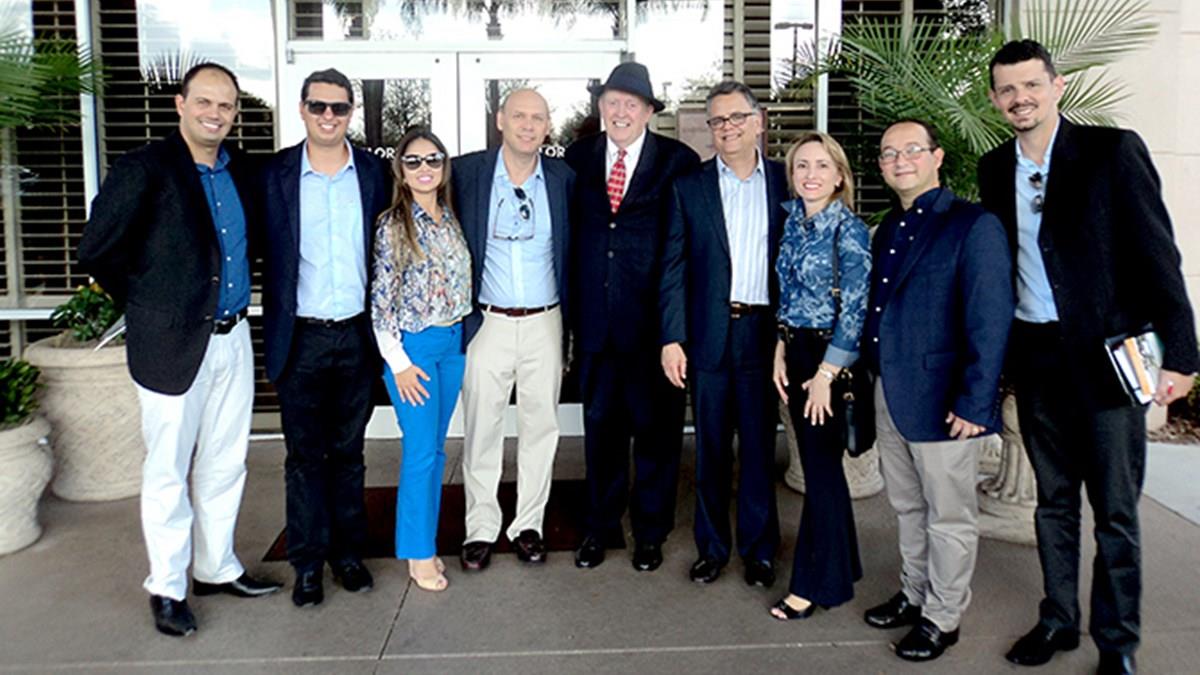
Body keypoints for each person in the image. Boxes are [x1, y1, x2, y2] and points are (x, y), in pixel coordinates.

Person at [979, 40, 1198, 675]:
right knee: (1052, 503)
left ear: (1058, 86)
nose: (1020, 98)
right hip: (1037, 358)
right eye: (1007, 89)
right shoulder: (994, 169)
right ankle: (1058, 619)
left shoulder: (1112, 152)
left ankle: (1117, 642)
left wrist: (1181, 357)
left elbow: (1159, 255)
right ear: (994, 100)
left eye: (1031, 85)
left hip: (1108, 361)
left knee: (1115, 512)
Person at [78, 62, 280, 637]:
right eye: (205, 102)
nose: (216, 114)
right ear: (181, 105)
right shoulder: (145, 168)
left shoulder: (239, 171)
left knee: (225, 459)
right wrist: (149, 303)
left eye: (226, 105)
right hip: (170, 343)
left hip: (232, 336)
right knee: (168, 468)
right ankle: (167, 586)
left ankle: (216, 567)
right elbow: (97, 250)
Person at [859, 119, 1013, 662]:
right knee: (907, 507)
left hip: (945, 401)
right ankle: (914, 593)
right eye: (889, 153)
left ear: (936, 156)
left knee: (949, 516)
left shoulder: (973, 225)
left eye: (911, 150)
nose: (900, 160)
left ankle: (942, 618)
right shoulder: (887, 227)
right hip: (890, 393)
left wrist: (975, 402)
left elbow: (990, 320)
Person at [261, 68, 392, 608]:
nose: (329, 116)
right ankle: (308, 563)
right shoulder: (274, 175)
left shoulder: (375, 174)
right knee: (303, 458)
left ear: (351, 113)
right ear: (302, 109)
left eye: (339, 107)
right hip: (302, 338)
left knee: (349, 454)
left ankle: (348, 554)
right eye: (319, 106)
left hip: (357, 335)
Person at [565, 62, 701, 572]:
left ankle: (650, 532)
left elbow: (686, 251)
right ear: (601, 107)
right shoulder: (578, 158)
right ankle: (600, 528)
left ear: (648, 111)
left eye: (631, 103)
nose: (620, 111)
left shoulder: (679, 162)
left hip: (655, 333)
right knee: (600, 434)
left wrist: (677, 331)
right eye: (612, 102)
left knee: (657, 437)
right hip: (596, 328)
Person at [660, 80, 788, 587]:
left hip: (764, 334)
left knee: (758, 448)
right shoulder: (688, 187)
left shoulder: (785, 181)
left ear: (758, 122)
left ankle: (759, 551)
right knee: (710, 449)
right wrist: (672, 338)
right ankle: (711, 549)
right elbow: (673, 267)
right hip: (709, 333)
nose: (727, 128)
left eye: (737, 117)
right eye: (717, 120)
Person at [451, 88, 575, 571]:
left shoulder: (564, 179)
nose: (528, 125)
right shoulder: (466, 173)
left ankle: (529, 525)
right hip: (488, 321)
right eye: (519, 115)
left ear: (547, 126)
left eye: (538, 118)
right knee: (482, 427)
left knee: (541, 427)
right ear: (500, 119)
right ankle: (480, 527)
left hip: (546, 320)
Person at [768, 132, 870, 620]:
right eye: (801, 166)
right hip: (796, 349)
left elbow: (856, 310)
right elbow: (788, 295)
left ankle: (814, 585)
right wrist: (780, 349)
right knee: (820, 467)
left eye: (822, 165)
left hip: (830, 359)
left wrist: (827, 373)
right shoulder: (793, 223)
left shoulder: (848, 230)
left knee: (822, 472)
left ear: (840, 176)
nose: (810, 174)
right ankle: (842, 566)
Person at [371, 128, 470, 593]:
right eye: (413, 161)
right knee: (420, 453)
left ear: (444, 166)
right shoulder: (393, 224)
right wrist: (398, 362)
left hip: (453, 344)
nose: (424, 168)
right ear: (401, 170)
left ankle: (425, 542)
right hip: (414, 351)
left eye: (433, 159)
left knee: (435, 449)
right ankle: (417, 553)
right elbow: (381, 301)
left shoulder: (450, 217)